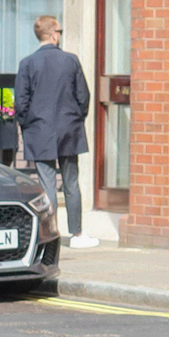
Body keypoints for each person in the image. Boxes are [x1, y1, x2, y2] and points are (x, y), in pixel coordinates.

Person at [12, 15, 100, 249]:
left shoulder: (27, 63)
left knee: (47, 184)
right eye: (59, 31)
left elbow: (20, 102)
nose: (60, 35)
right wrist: (75, 119)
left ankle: (52, 234)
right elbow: (84, 96)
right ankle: (78, 234)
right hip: (69, 128)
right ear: (53, 34)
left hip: (39, 129)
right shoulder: (70, 61)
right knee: (71, 182)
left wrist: (28, 124)